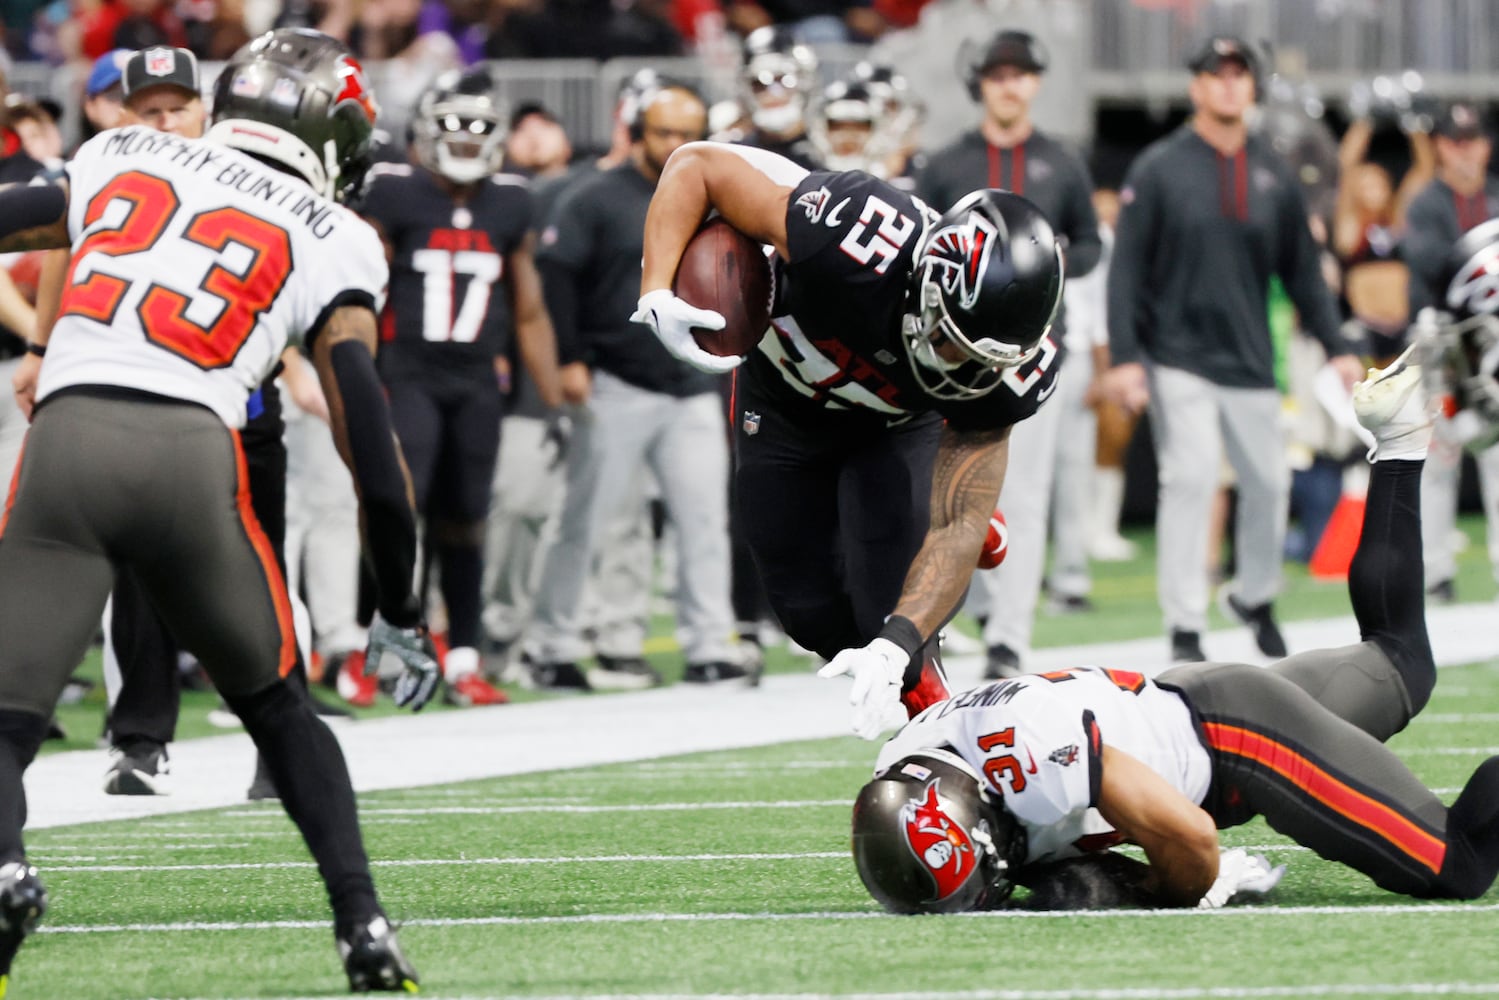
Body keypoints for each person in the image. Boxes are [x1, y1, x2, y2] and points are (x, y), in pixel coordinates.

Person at [0, 28, 435, 992]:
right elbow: (371, 447)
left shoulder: (119, 149)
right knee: (281, 711)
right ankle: (361, 922)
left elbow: (14, 218)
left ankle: (5, 867)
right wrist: (398, 615)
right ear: (327, 130)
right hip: (196, 457)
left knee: (5, 717)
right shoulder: (338, 234)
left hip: (69, 442)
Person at [849, 352, 1499, 913]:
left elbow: (1191, 839)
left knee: (1458, 863)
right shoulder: (907, 762)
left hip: (1238, 743)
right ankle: (1400, 435)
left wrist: (1161, 887)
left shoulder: (1025, 758)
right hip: (1200, 702)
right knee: (1400, 662)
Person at [634, 132, 1066, 738]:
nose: (961, 370)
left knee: (892, 624)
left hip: (894, 425)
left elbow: (957, 529)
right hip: (784, 400)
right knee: (807, 614)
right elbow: (695, 164)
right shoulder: (856, 234)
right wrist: (657, 287)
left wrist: (896, 646)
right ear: (929, 282)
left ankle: (945, 735)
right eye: (951, 341)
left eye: (982, 362)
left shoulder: (1003, 374)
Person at [1102, 35, 1363, 664]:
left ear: (1252, 88)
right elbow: (1127, 271)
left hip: (1250, 359)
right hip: (1176, 356)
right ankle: (1185, 623)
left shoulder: (1274, 172)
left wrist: (1337, 346)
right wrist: (1128, 358)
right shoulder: (1159, 168)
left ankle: (1254, 594)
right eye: (1215, 75)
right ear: (1196, 86)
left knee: (1271, 484)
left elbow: (1304, 270)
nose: (1226, 85)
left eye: (1238, 75)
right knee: (1189, 478)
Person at [524, 80, 748, 691]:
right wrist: (570, 358)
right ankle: (553, 643)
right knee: (585, 520)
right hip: (617, 381)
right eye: (664, 132)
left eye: (687, 133)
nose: (676, 144)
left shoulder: (720, 198)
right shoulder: (596, 197)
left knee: (705, 522)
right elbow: (557, 276)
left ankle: (710, 644)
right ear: (638, 132)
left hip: (691, 385)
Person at [355, 62, 563, 707]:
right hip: (407, 373)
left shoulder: (511, 200)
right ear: (424, 130)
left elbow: (527, 309)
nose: (468, 140)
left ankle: (464, 657)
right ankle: (376, 647)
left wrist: (551, 402)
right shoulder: (393, 190)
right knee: (398, 510)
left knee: (468, 519)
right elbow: (361, 289)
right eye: (454, 128)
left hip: (476, 382)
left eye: (479, 130)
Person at [916, 27, 1102, 679]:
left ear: (1035, 82)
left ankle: (1008, 635)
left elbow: (1091, 244)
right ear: (980, 85)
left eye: (1019, 74)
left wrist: (1042, 263)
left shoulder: (1061, 161)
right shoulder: (944, 165)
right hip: (957, 360)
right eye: (997, 74)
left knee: (1022, 496)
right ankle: (971, 613)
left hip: (1036, 350)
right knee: (958, 494)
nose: (1008, 85)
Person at [1402, 101, 1499, 606]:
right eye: (1454, 142)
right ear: (1440, 146)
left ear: (1485, 144)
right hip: (1441, 342)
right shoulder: (1425, 204)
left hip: (1494, 348)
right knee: (1438, 459)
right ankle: (1435, 572)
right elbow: (1435, 275)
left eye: (1472, 141)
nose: (1464, 152)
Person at [1333, 83, 1434, 365]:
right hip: (1367, 328)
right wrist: (1366, 121)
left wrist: (1413, 123)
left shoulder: (1396, 220)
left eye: (1377, 182)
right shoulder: (1352, 227)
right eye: (1365, 184)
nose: (1372, 190)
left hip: (1402, 326)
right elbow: (1345, 166)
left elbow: (1424, 170)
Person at [734, 25, 823, 171]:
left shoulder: (827, 152)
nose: (773, 93)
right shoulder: (733, 153)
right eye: (759, 84)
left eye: (783, 80)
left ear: (806, 81)